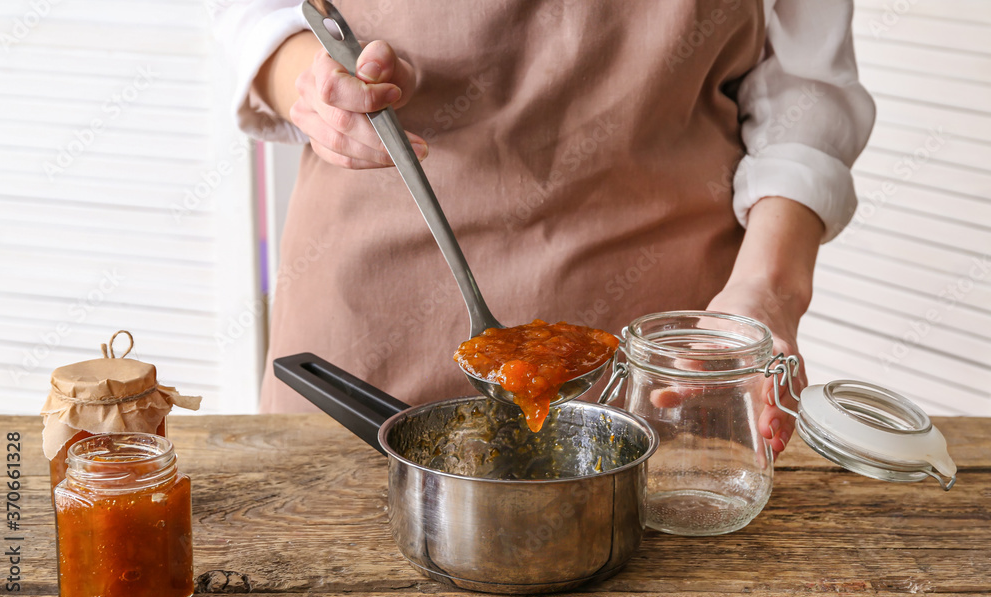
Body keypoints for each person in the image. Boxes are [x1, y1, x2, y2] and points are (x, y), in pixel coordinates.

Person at [213, 0, 875, 457]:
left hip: (670, 346)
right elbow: (259, 13)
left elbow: (806, 84)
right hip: (369, 314)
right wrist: (312, 82)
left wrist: (767, 289)